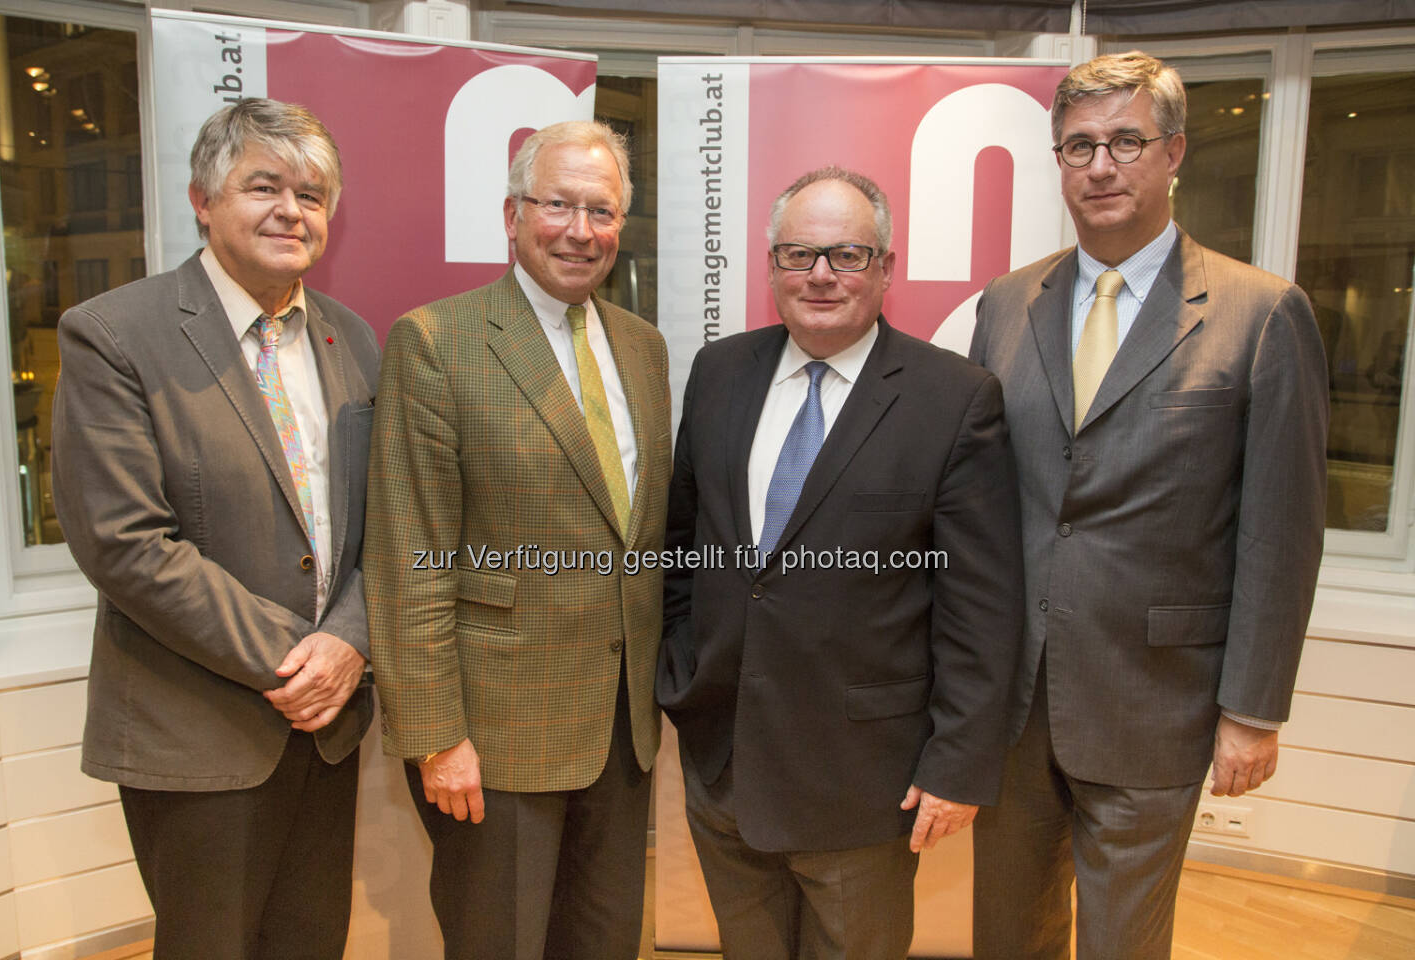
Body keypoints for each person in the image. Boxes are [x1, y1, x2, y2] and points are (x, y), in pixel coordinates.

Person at [969, 51, 1329, 959]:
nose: (1100, 165)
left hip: (1157, 699)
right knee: (1008, 933)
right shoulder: (1009, 305)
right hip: (1012, 702)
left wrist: (1253, 709)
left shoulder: (1262, 313)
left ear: (1173, 154)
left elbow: (1281, 532)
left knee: (1126, 943)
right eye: (1079, 145)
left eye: (1125, 141)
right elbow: (975, 502)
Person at [658, 166, 1025, 960]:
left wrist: (958, 762)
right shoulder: (720, 373)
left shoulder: (955, 399)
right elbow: (681, 548)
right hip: (725, 765)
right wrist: (682, 676)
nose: (821, 275)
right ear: (772, 269)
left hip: (865, 783)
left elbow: (982, 606)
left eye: (847, 254)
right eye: (800, 254)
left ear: (886, 267)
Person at [51, 98, 378, 960]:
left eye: (311, 195)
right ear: (204, 198)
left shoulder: (356, 341)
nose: (290, 211)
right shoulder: (117, 334)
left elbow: (393, 524)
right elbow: (124, 542)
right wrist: (298, 659)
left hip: (328, 729)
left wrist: (347, 642)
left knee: (311, 944)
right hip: (195, 730)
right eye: (263, 186)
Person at [365, 120, 670, 960]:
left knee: (605, 942)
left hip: (621, 730)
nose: (581, 230)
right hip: (493, 740)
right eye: (558, 205)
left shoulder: (644, 349)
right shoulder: (437, 341)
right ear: (510, 215)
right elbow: (409, 555)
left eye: (601, 211)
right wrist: (435, 736)